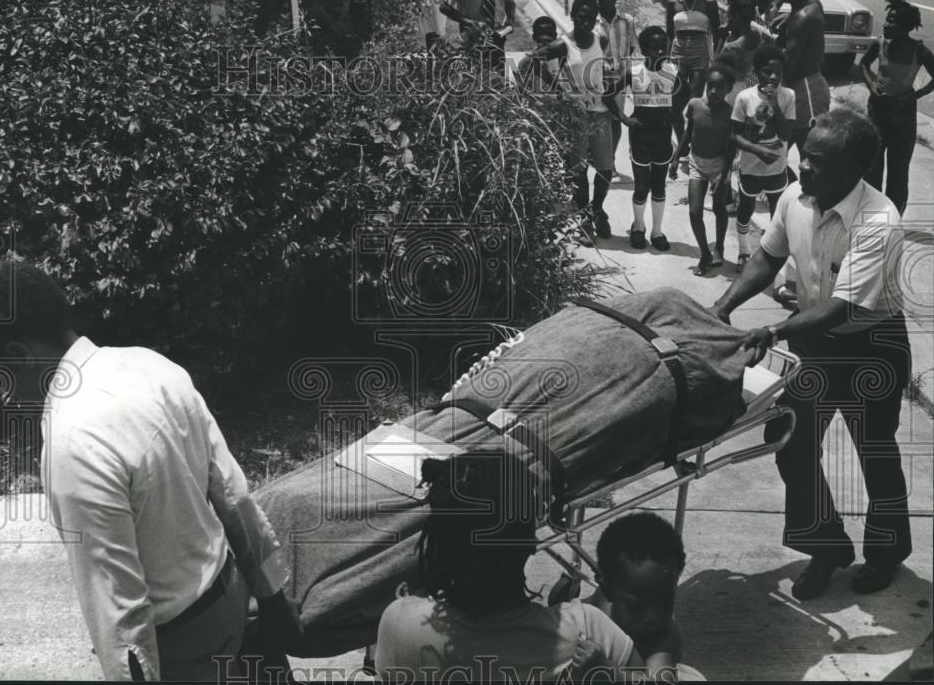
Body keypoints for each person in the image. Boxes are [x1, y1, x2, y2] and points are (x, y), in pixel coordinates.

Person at [0, 260, 301, 681]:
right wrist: (274, 599)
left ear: (18, 356)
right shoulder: (149, 365)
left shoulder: (73, 441)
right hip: (232, 598)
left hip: (182, 647)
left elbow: (119, 611)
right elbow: (233, 495)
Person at [712, 109, 913, 601]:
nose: (804, 167)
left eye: (818, 162)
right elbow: (767, 256)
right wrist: (723, 306)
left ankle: (886, 555)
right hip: (813, 343)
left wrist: (772, 331)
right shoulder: (794, 197)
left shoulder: (880, 220)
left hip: (871, 346)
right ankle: (826, 548)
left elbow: (840, 310)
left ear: (854, 169)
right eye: (807, 155)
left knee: (875, 450)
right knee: (790, 441)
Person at [374, 450, 646, 681]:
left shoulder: (400, 624)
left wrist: (412, 605)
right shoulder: (586, 631)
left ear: (441, 546)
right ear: (529, 543)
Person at [531, 0, 637, 244]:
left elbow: (601, 68)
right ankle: (584, 217)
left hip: (601, 113)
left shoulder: (600, 38)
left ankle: (597, 208)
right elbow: (534, 61)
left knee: (605, 170)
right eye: (580, 16)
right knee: (578, 171)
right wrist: (559, 89)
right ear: (572, 15)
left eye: (590, 17)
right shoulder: (562, 44)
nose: (585, 22)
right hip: (576, 116)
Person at [588, 512, 686, 681]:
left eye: (665, 601)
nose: (652, 616)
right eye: (637, 604)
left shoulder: (664, 637)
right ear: (606, 589)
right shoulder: (597, 607)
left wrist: (608, 672)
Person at [860, 0, 934, 215]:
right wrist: (871, 85)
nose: (886, 24)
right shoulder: (880, 43)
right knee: (872, 170)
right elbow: (863, 64)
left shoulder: (919, 51)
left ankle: (892, 220)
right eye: (887, 19)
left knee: (898, 173)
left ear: (907, 28)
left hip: (902, 118)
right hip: (877, 113)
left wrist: (914, 96)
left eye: (893, 22)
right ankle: (871, 217)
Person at [731, 44, 795, 271]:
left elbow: (787, 133)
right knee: (746, 207)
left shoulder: (788, 96)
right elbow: (735, 136)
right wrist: (757, 151)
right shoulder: (744, 97)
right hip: (751, 166)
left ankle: (773, 256)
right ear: (756, 72)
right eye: (768, 72)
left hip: (777, 168)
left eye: (778, 72)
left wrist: (775, 103)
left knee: (778, 213)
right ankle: (743, 251)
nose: (773, 77)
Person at [626, 25, 687, 251]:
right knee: (642, 187)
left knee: (659, 186)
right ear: (643, 49)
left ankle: (657, 231)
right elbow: (609, 92)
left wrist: (675, 112)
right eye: (654, 47)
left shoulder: (672, 71)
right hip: (640, 138)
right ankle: (639, 226)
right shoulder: (634, 72)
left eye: (664, 46)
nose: (660, 50)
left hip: (662, 138)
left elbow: (687, 91)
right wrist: (625, 118)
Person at [675, 61, 736, 275]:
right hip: (697, 163)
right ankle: (705, 252)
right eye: (710, 85)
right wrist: (676, 158)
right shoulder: (694, 105)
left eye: (719, 87)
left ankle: (719, 247)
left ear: (729, 88)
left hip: (720, 165)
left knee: (720, 208)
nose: (713, 91)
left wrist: (724, 174)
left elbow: (732, 147)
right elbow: (688, 133)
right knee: (694, 211)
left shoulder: (731, 113)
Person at [776, 0, 829, 157]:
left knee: (809, 157)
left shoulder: (803, 17)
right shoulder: (811, 3)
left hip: (805, 92)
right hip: (807, 85)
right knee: (775, 157)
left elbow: (786, 66)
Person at [665, 0, 720, 143]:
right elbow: (668, 34)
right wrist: (664, 62)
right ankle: (682, 141)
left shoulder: (708, 3)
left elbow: (717, 32)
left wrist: (716, 59)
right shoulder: (673, 3)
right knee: (673, 104)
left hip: (699, 53)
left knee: (694, 102)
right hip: (677, 53)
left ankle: (692, 141)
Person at [594, 0, 639, 155]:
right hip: (595, 77)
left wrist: (625, 71)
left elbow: (633, 47)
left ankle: (610, 159)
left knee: (615, 119)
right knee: (597, 117)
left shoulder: (627, 21)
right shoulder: (592, 21)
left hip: (617, 80)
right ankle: (597, 155)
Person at [718, 0, 767, 106]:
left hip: (727, 91)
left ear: (737, 16)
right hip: (743, 87)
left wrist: (722, 37)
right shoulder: (756, 35)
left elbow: (716, 66)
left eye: (729, 15)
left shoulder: (731, 47)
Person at [516, 16, 561, 95]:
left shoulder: (563, 60)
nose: (546, 37)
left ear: (555, 36)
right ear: (534, 37)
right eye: (542, 33)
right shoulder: (526, 62)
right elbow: (521, 91)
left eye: (549, 34)